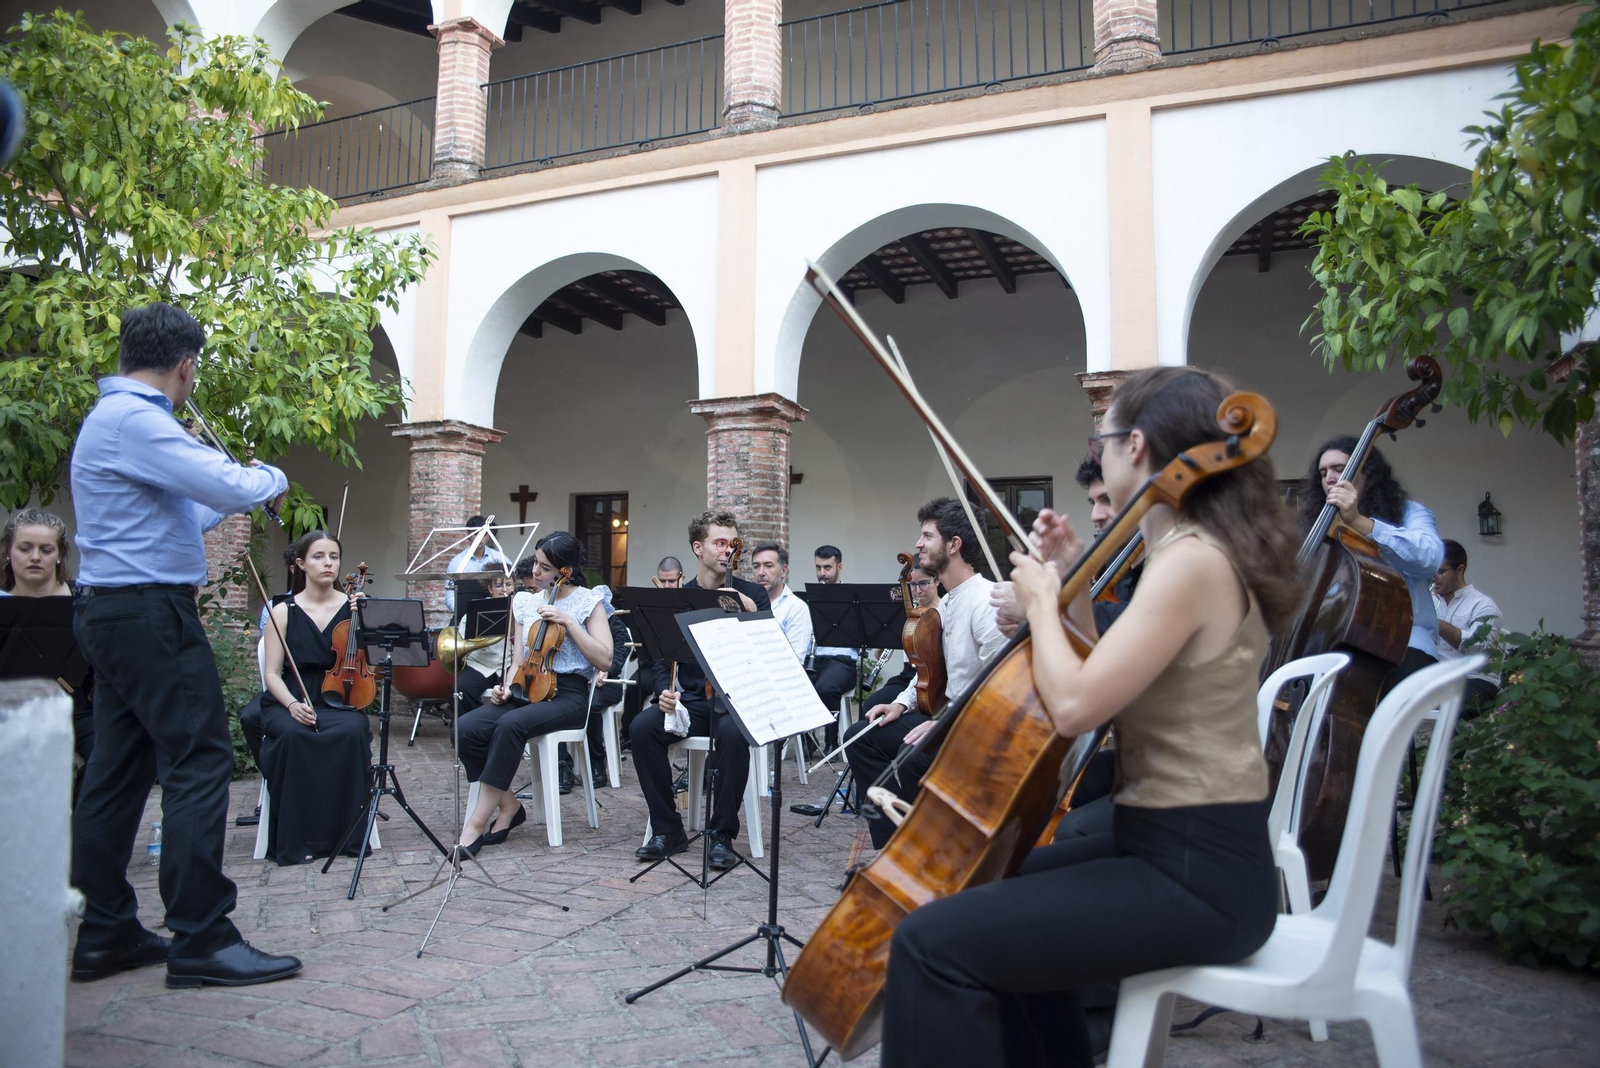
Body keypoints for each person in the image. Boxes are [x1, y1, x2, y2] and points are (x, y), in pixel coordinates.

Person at [880, 366, 1303, 1068]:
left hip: (1197, 874)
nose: (1099, 454)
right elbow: (1114, 672)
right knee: (998, 886)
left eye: (1102, 440)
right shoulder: (1187, 549)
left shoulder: (1191, 560)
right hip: (1174, 847)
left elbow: (1076, 705)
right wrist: (1073, 587)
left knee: (929, 943)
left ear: (1134, 445)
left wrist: (1045, 601)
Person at [68, 301, 300, 987]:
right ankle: (201, 936)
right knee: (198, 763)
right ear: (186, 365)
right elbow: (227, 479)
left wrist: (231, 497)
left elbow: (188, 512)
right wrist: (269, 481)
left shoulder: (115, 421)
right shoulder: (139, 419)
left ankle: (106, 931)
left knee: (116, 772)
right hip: (149, 615)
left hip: (117, 612)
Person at [842, 498, 1006, 850]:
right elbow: (928, 670)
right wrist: (900, 704)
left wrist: (944, 723)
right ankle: (894, 845)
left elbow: (999, 687)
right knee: (860, 737)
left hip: (975, 727)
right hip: (946, 719)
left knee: (913, 753)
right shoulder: (945, 604)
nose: (918, 544)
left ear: (954, 545)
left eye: (927, 536)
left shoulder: (986, 601)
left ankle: (930, 845)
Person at [454, 532, 614, 854]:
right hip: (525, 688)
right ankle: (510, 806)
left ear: (564, 569)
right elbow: (517, 661)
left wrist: (569, 622)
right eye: (536, 564)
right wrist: (506, 687)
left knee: (510, 726)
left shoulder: (588, 601)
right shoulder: (525, 602)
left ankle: (474, 826)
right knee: (465, 729)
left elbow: (604, 658)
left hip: (569, 696)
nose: (535, 572)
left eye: (544, 567)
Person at [633, 510, 770, 869]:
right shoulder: (680, 597)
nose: (727, 551)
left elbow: (768, 652)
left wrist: (751, 614)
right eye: (719, 543)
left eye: (732, 544)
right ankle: (668, 829)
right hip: (692, 702)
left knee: (734, 733)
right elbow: (662, 660)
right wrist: (665, 691)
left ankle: (721, 835)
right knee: (642, 728)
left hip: (735, 702)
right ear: (698, 547)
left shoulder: (753, 594)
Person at [245, 530, 374, 866]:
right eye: (318, 556)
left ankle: (344, 837)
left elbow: (370, 662)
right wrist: (291, 704)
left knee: (352, 731)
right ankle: (296, 839)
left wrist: (366, 620)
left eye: (333, 556)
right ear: (300, 564)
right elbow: (272, 673)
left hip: (339, 696)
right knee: (292, 734)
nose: (327, 563)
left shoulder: (354, 609)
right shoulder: (282, 611)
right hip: (291, 697)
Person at [1301, 436, 1445, 692]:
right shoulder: (1315, 527)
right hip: (1332, 647)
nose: (1329, 478)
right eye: (1323, 472)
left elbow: (1430, 559)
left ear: (1368, 473)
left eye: (1339, 468)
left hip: (1402, 642)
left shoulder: (1410, 513)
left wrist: (1360, 523)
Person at [2, 509, 93, 802]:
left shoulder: (85, 601)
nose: (35, 557)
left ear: (59, 555)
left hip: (76, 710)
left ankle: (79, 836)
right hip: (9, 709)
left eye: (46, 549)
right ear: (8, 552)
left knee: (113, 754)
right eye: (25, 548)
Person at [1432, 538, 1503, 716]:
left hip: (1474, 679)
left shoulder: (1483, 605)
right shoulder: (1428, 601)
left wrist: (1435, 622)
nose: (1434, 577)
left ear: (1460, 570)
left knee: (1454, 710)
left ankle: (1448, 745)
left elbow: (1480, 649)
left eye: (1440, 571)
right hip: (1436, 678)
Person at [809, 544, 854, 748]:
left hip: (842, 661)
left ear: (839, 567)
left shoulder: (853, 599)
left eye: (827, 568)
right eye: (818, 568)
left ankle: (830, 743)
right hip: (815, 659)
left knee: (825, 688)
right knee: (799, 687)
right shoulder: (809, 599)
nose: (822, 574)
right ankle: (806, 747)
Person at [752, 542, 813, 659]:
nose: (760, 572)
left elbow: (796, 659)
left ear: (783, 571)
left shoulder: (796, 608)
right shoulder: (748, 602)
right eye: (756, 566)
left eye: (768, 566)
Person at [444, 515, 509, 613]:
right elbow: (450, 596)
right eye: (476, 534)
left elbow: (512, 581)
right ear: (469, 534)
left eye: (484, 534)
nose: (480, 538)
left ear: (488, 536)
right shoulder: (456, 563)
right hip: (464, 614)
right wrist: (463, 612)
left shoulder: (499, 557)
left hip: (495, 612)